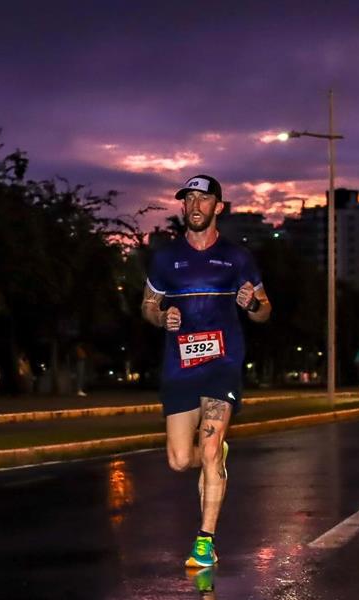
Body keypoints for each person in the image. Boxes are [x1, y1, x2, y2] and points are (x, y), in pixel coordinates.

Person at [142, 174, 271, 568]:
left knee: (210, 451)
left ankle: (204, 542)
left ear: (219, 207)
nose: (195, 206)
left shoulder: (238, 258)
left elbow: (265, 311)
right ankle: (215, 453)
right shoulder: (166, 258)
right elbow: (147, 306)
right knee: (181, 460)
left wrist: (251, 304)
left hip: (222, 363)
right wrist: (162, 316)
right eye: (189, 200)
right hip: (180, 366)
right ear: (182, 207)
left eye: (204, 199)